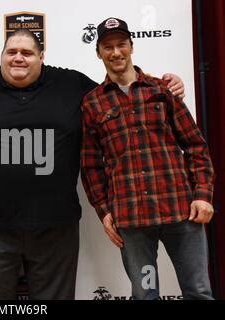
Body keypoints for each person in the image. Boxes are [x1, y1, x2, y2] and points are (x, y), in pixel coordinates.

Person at [0, 28, 185, 300]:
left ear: (41, 57)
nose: (18, 58)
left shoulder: (71, 84)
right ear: (1, 56)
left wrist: (165, 85)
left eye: (27, 53)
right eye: (11, 52)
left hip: (56, 226)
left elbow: (119, 92)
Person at [81, 17, 215, 300]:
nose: (115, 52)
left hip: (182, 214)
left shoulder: (162, 90)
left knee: (199, 292)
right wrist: (104, 211)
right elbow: (91, 166)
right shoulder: (92, 103)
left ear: (131, 46)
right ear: (99, 53)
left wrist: (203, 195)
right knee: (145, 294)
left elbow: (195, 147)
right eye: (108, 47)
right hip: (132, 221)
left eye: (121, 45)